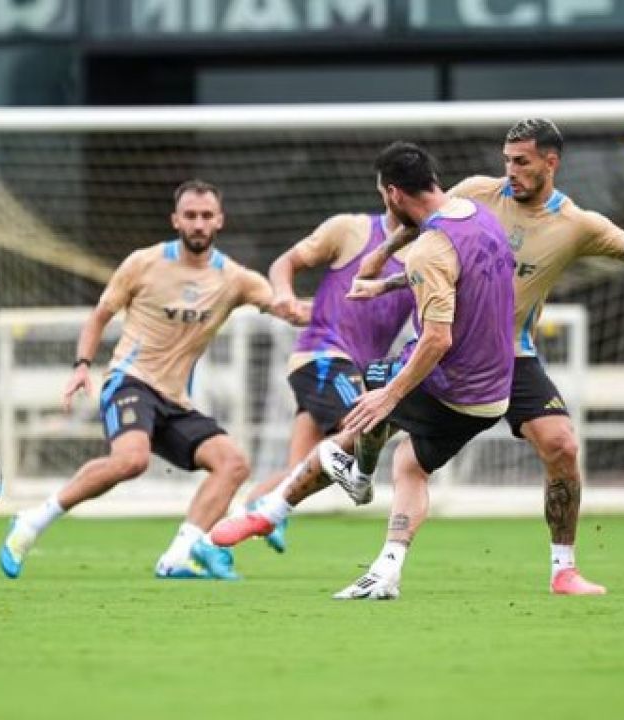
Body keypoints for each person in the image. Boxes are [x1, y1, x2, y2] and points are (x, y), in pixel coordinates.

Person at [351, 118, 624, 594]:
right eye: (507, 161)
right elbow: (430, 230)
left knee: (562, 446)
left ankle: (563, 568)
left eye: (522, 162)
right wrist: (380, 260)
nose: (509, 171)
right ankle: (309, 498)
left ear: (550, 163)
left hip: (515, 356)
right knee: (388, 431)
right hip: (458, 354)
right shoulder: (475, 193)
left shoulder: (577, 225)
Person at [213, 141, 517, 600]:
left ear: (393, 194)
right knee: (409, 463)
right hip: (494, 390)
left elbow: (437, 339)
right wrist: (383, 279)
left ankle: (326, 489)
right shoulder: (477, 213)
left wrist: (391, 395)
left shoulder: (428, 250)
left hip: (451, 380)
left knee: (373, 393)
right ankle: (386, 569)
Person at [0, 179, 309, 581]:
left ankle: (178, 556)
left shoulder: (235, 278)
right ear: (175, 220)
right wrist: (81, 365)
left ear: (220, 221)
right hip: (130, 382)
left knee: (232, 464)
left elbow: (284, 307)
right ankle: (30, 522)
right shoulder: (142, 263)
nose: (198, 224)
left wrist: (314, 311)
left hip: (175, 402)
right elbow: (99, 316)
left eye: (206, 216)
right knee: (132, 460)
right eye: (191, 216)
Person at [236, 207, 414, 553]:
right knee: (362, 423)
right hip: (324, 358)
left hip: (351, 369)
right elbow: (284, 263)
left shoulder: (431, 252)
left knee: (299, 472)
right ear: (389, 192)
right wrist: (284, 295)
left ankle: (219, 537)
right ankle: (360, 480)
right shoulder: (350, 230)